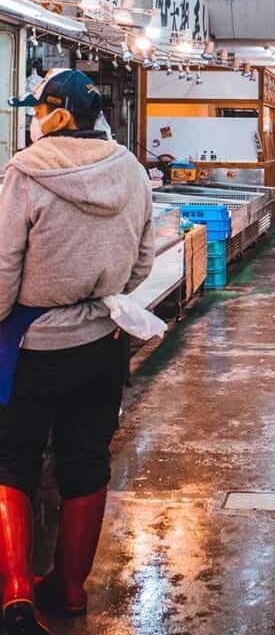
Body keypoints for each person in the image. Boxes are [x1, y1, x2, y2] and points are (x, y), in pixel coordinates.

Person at [0, 69, 154, 635]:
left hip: (31, 345)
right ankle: (67, 589)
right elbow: (142, 262)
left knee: (12, 458)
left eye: (39, 108)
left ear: (56, 112)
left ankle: (17, 593)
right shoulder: (133, 171)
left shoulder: (25, 171)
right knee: (86, 461)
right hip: (100, 344)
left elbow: (2, 269)